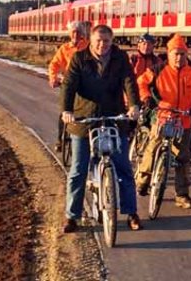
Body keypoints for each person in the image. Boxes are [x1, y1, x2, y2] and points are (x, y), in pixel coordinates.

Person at [60, 25, 142, 233]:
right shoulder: (79, 58)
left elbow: (129, 81)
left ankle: (131, 212)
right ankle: (72, 216)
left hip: (113, 116)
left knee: (123, 167)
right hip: (84, 119)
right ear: (90, 40)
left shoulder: (120, 58)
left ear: (112, 41)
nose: (102, 45)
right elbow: (69, 85)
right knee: (78, 169)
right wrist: (67, 110)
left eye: (106, 41)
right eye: (98, 40)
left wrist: (134, 106)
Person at [135, 34, 191, 209]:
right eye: (175, 54)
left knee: (183, 157)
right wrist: (147, 98)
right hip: (163, 116)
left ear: (186, 54)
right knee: (153, 146)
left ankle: (182, 194)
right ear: (169, 54)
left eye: (182, 54)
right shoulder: (158, 69)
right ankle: (143, 180)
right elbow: (141, 83)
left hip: (185, 118)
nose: (179, 58)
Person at [47, 21, 89, 152]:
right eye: (73, 32)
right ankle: (60, 139)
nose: (75, 34)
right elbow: (54, 64)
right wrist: (53, 78)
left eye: (78, 32)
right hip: (68, 83)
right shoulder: (64, 49)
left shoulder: (88, 46)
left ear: (82, 34)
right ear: (70, 34)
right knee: (64, 110)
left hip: (85, 83)